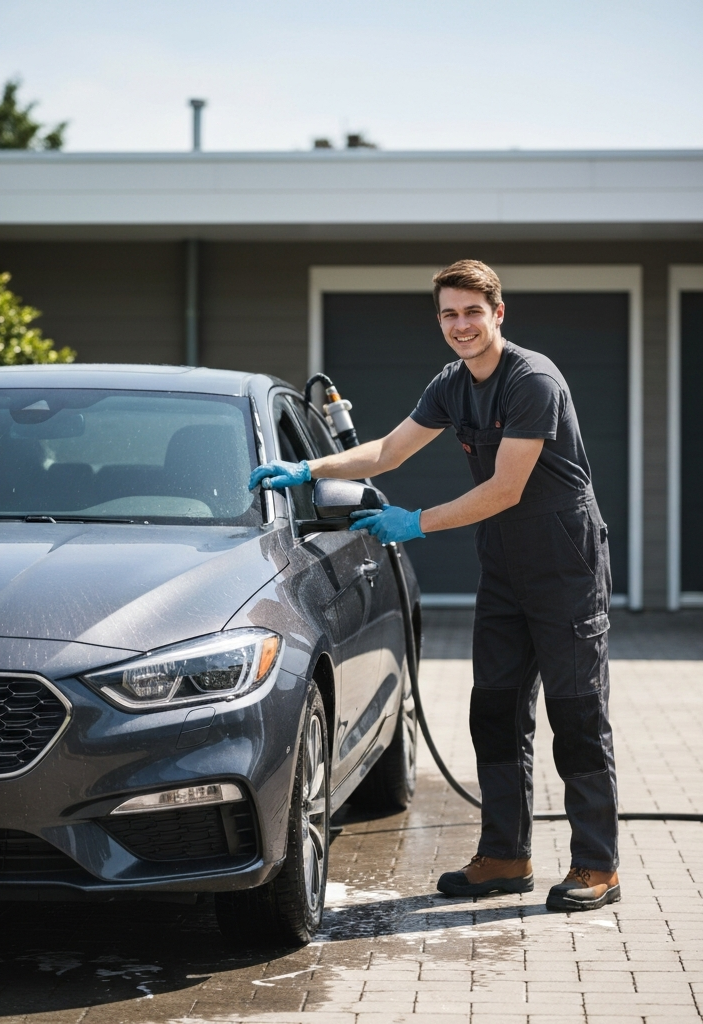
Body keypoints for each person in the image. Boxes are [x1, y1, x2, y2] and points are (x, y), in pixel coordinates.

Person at [249, 260, 619, 912]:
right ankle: (506, 855)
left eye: (472, 312)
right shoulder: (452, 383)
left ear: (498, 314)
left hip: (566, 567)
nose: (460, 325)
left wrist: (413, 522)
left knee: (576, 713)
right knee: (494, 712)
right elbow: (390, 451)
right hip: (505, 569)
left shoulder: (531, 381)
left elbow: (506, 488)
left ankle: (597, 864)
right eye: (449, 314)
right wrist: (307, 468)